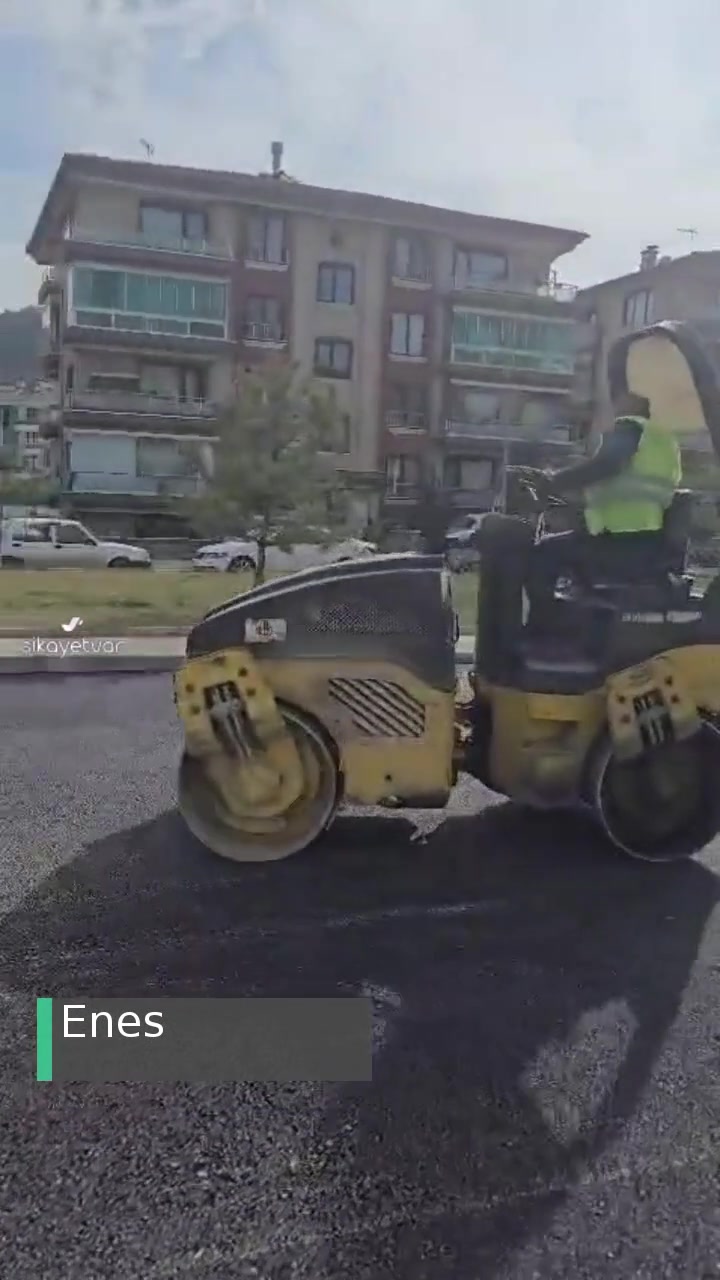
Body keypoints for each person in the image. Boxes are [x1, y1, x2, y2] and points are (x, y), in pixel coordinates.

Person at [525, 391, 682, 623]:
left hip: (620, 540)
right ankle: (579, 622)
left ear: (630, 405)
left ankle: (544, 626)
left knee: (544, 553)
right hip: (648, 538)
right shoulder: (664, 440)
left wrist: (552, 482)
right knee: (571, 553)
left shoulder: (629, 427)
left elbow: (605, 465)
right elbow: (627, 485)